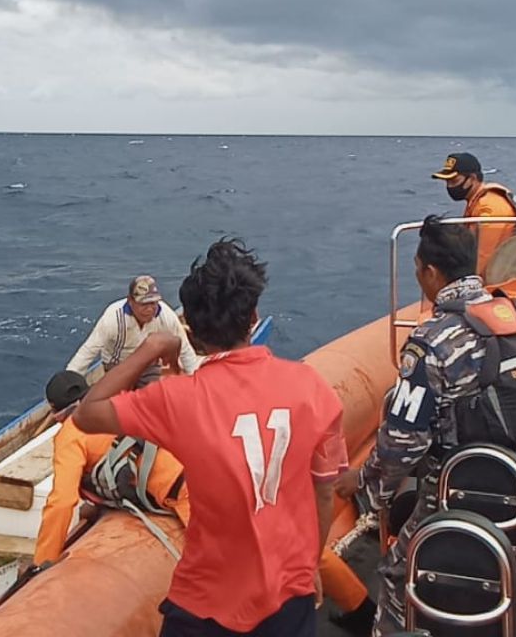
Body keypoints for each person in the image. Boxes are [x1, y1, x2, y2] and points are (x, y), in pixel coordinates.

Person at [73, 239, 353, 637]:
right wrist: (307, 568)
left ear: (193, 331)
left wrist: (150, 349)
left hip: (207, 601)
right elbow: (325, 492)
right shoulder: (311, 387)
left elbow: (87, 413)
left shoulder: (178, 399)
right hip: (289, 591)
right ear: (253, 316)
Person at [336, 215, 516, 637]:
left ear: (431, 272)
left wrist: (367, 489)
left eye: (419, 269)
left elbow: (403, 443)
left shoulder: (431, 343)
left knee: (399, 576)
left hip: (456, 490)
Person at [33, 370, 190, 567]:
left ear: (56, 412)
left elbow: (62, 502)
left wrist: (43, 561)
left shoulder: (70, 435)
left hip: (188, 492)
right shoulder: (121, 399)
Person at [66, 275, 202, 378]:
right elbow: (88, 351)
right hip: (117, 367)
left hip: (149, 366)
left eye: (153, 303)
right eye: (144, 304)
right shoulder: (113, 318)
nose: (150, 309)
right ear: (130, 301)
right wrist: (68, 381)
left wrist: (195, 378)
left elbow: (184, 348)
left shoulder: (166, 315)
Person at [431, 152, 516, 273]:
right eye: (447, 182)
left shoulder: (490, 208)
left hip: (502, 284)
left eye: (453, 181)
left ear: (472, 178)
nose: (449, 186)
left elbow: (482, 257)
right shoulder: (477, 202)